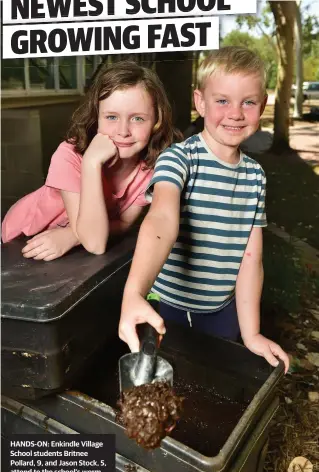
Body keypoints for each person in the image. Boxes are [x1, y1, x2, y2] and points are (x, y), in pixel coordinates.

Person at [119, 47, 290, 373]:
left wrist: (251, 332)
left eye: (248, 102)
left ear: (263, 105)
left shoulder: (256, 177)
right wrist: (134, 292)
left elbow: (251, 259)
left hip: (223, 313)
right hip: (165, 309)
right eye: (222, 100)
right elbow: (162, 219)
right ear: (200, 102)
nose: (236, 113)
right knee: (164, 386)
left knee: (213, 385)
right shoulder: (178, 159)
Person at [2, 61, 181, 261]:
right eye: (111, 117)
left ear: (156, 121)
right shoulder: (69, 154)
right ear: (97, 118)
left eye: (137, 119)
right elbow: (95, 242)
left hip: (77, 245)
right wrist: (91, 163)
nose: (123, 131)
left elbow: (117, 228)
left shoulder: (150, 168)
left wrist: (72, 235)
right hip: (23, 236)